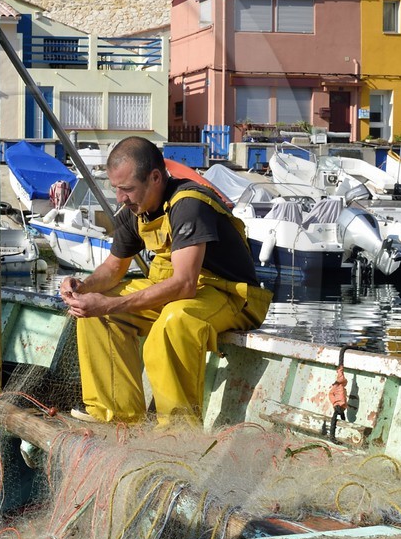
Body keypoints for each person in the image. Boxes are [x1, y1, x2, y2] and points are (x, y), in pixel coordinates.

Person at [59, 137, 271, 425]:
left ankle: (176, 430)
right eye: (117, 189)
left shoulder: (188, 204)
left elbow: (185, 284)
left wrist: (110, 303)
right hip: (182, 289)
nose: (121, 198)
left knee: (174, 320)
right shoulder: (134, 210)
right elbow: (113, 267)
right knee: (93, 315)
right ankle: (117, 415)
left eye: (127, 189)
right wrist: (83, 287)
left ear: (155, 178)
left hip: (229, 295)